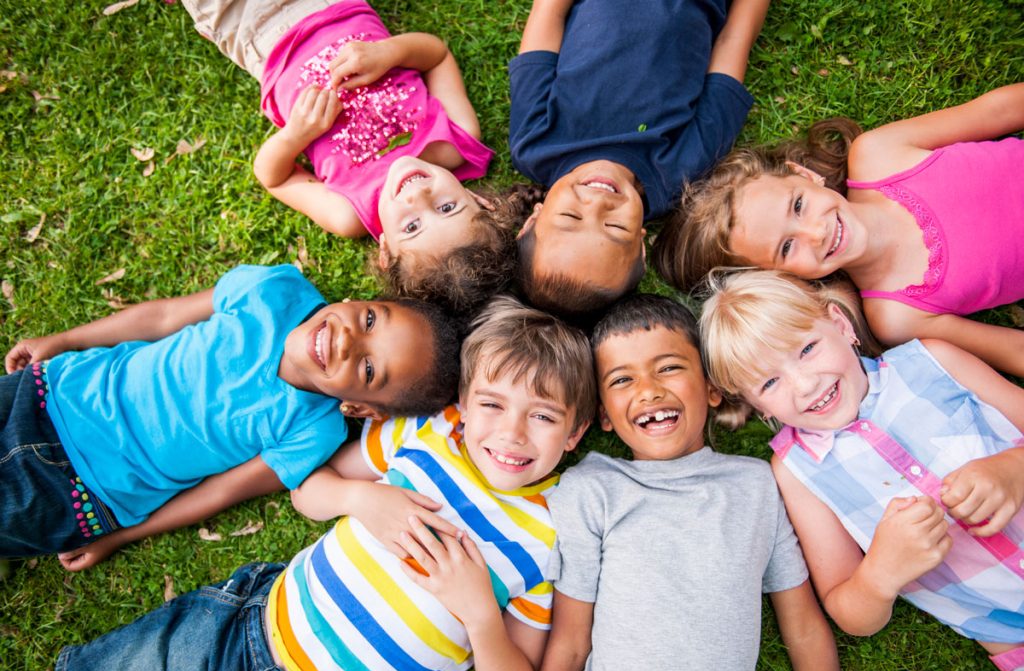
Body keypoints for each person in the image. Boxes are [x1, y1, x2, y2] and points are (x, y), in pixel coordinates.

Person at [56, 295, 597, 671]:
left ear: (576, 433)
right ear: (462, 401)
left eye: (544, 417)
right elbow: (306, 488)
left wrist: (480, 614)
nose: (511, 433)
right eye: (491, 404)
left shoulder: (548, 538)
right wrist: (359, 497)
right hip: (246, 628)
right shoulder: (428, 437)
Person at [2, 263, 460, 571]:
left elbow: (221, 490)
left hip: (80, 492)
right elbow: (163, 317)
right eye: (370, 321)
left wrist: (121, 537)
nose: (347, 341)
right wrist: (64, 340)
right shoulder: (275, 290)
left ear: (360, 408)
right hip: (54, 390)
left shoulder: (313, 432)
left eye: (368, 368)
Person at [700, 269, 1024, 671]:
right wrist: (881, 574)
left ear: (840, 324)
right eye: (769, 382)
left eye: (807, 349)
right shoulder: (797, 471)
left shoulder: (932, 361)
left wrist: (1012, 469)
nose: (804, 384)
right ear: (756, 404)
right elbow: (849, 611)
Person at [530, 293, 843, 671]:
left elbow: (803, 627)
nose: (649, 391)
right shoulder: (592, 489)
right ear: (604, 415)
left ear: (712, 388)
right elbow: (569, 643)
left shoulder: (756, 486)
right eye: (622, 380)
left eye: (670, 368)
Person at [654, 83, 1024, 377]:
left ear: (805, 175)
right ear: (784, 280)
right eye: (786, 248)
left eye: (798, 206)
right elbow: (1012, 349)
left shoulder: (879, 153)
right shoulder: (895, 315)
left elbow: (1000, 110)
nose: (815, 234)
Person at [180, 0, 526, 311]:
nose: (418, 195)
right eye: (447, 207)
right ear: (481, 201)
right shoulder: (455, 141)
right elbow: (436, 55)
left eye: (412, 226)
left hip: (261, 36)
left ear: (386, 252)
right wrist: (389, 53)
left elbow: (274, 176)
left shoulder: (349, 213)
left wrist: (297, 134)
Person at [508, 0, 770, 319]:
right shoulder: (681, 172)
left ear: (532, 221)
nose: (597, 203)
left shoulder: (535, 141)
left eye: (570, 217)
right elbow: (734, 43)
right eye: (616, 226)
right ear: (641, 248)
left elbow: (547, 15)